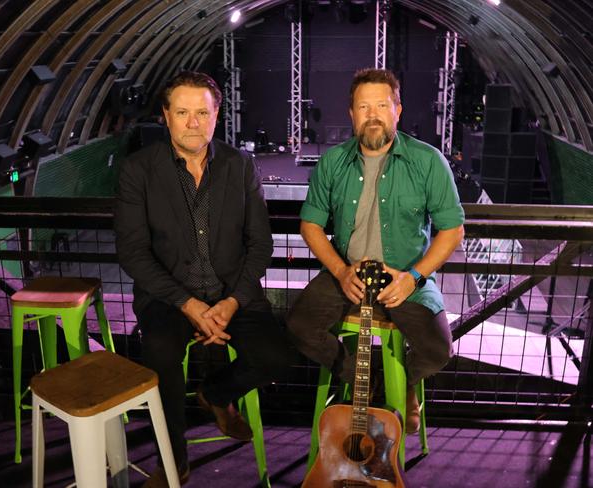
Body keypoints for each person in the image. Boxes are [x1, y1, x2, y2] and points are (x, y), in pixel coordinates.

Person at [114, 71, 289, 487]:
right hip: (169, 298)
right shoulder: (137, 170)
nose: (193, 122)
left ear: (216, 115)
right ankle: (174, 459)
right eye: (182, 112)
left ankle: (218, 394)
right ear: (166, 117)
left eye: (202, 113)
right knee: (159, 355)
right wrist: (189, 305)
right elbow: (133, 253)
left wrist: (230, 303)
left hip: (232, 293)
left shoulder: (240, 165)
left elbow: (259, 244)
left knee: (278, 356)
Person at [286, 68, 465, 434]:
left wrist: (414, 277)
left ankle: (401, 387)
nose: (372, 114)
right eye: (363, 106)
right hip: (347, 271)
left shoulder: (428, 161)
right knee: (299, 327)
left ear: (397, 109)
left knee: (437, 350)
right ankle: (369, 385)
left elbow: (453, 230)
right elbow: (310, 226)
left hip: (405, 273)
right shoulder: (332, 162)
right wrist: (340, 272)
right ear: (351, 113)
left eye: (381, 105)